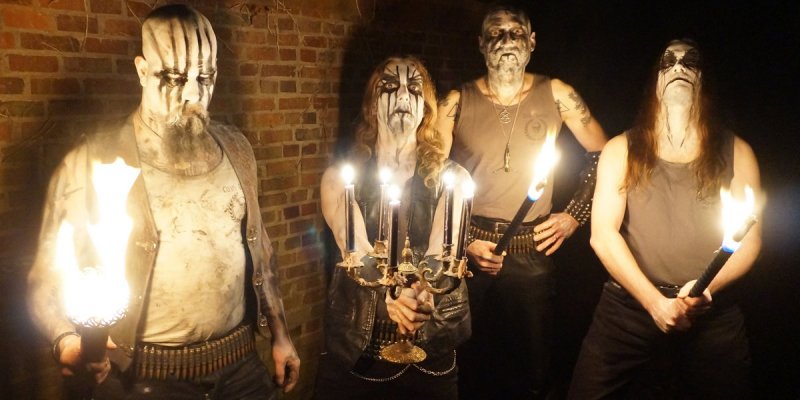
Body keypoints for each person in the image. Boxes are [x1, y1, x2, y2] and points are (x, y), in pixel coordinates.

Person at [26, 4, 300, 399]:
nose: (193, 94)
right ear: (142, 71)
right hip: (143, 378)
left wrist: (281, 334)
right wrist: (66, 341)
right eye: (173, 77)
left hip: (241, 367)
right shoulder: (94, 161)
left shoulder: (237, 149)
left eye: (205, 77)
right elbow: (45, 283)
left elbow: (262, 252)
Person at [567, 39, 762, 399]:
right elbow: (603, 235)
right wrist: (654, 303)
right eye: (668, 62)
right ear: (655, 83)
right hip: (628, 307)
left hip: (710, 310)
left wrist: (705, 289)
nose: (678, 68)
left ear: (704, 79)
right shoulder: (621, 149)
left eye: (690, 62)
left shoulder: (737, 151)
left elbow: (749, 241)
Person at [435, 5, 608, 398]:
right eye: (496, 33)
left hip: (531, 253)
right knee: (464, 361)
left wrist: (574, 215)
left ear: (531, 42)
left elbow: (604, 154)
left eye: (516, 32)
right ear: (481, 44)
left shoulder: (557, 93)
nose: (506, 40)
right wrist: (462, 241)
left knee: (532, 366)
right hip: (471, 250)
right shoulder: (456, 101)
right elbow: (430, 178)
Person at [315, 56, 471, 399]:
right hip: (358, 352)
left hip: (431, 352)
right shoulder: (341, 179)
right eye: (389, 86)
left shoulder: (454, 179)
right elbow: (356, 249)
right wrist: (394, 296)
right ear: (372, 106)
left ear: (426, 108)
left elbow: (441, 255)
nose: (402, 95)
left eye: (414, 88)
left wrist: (425, 292)